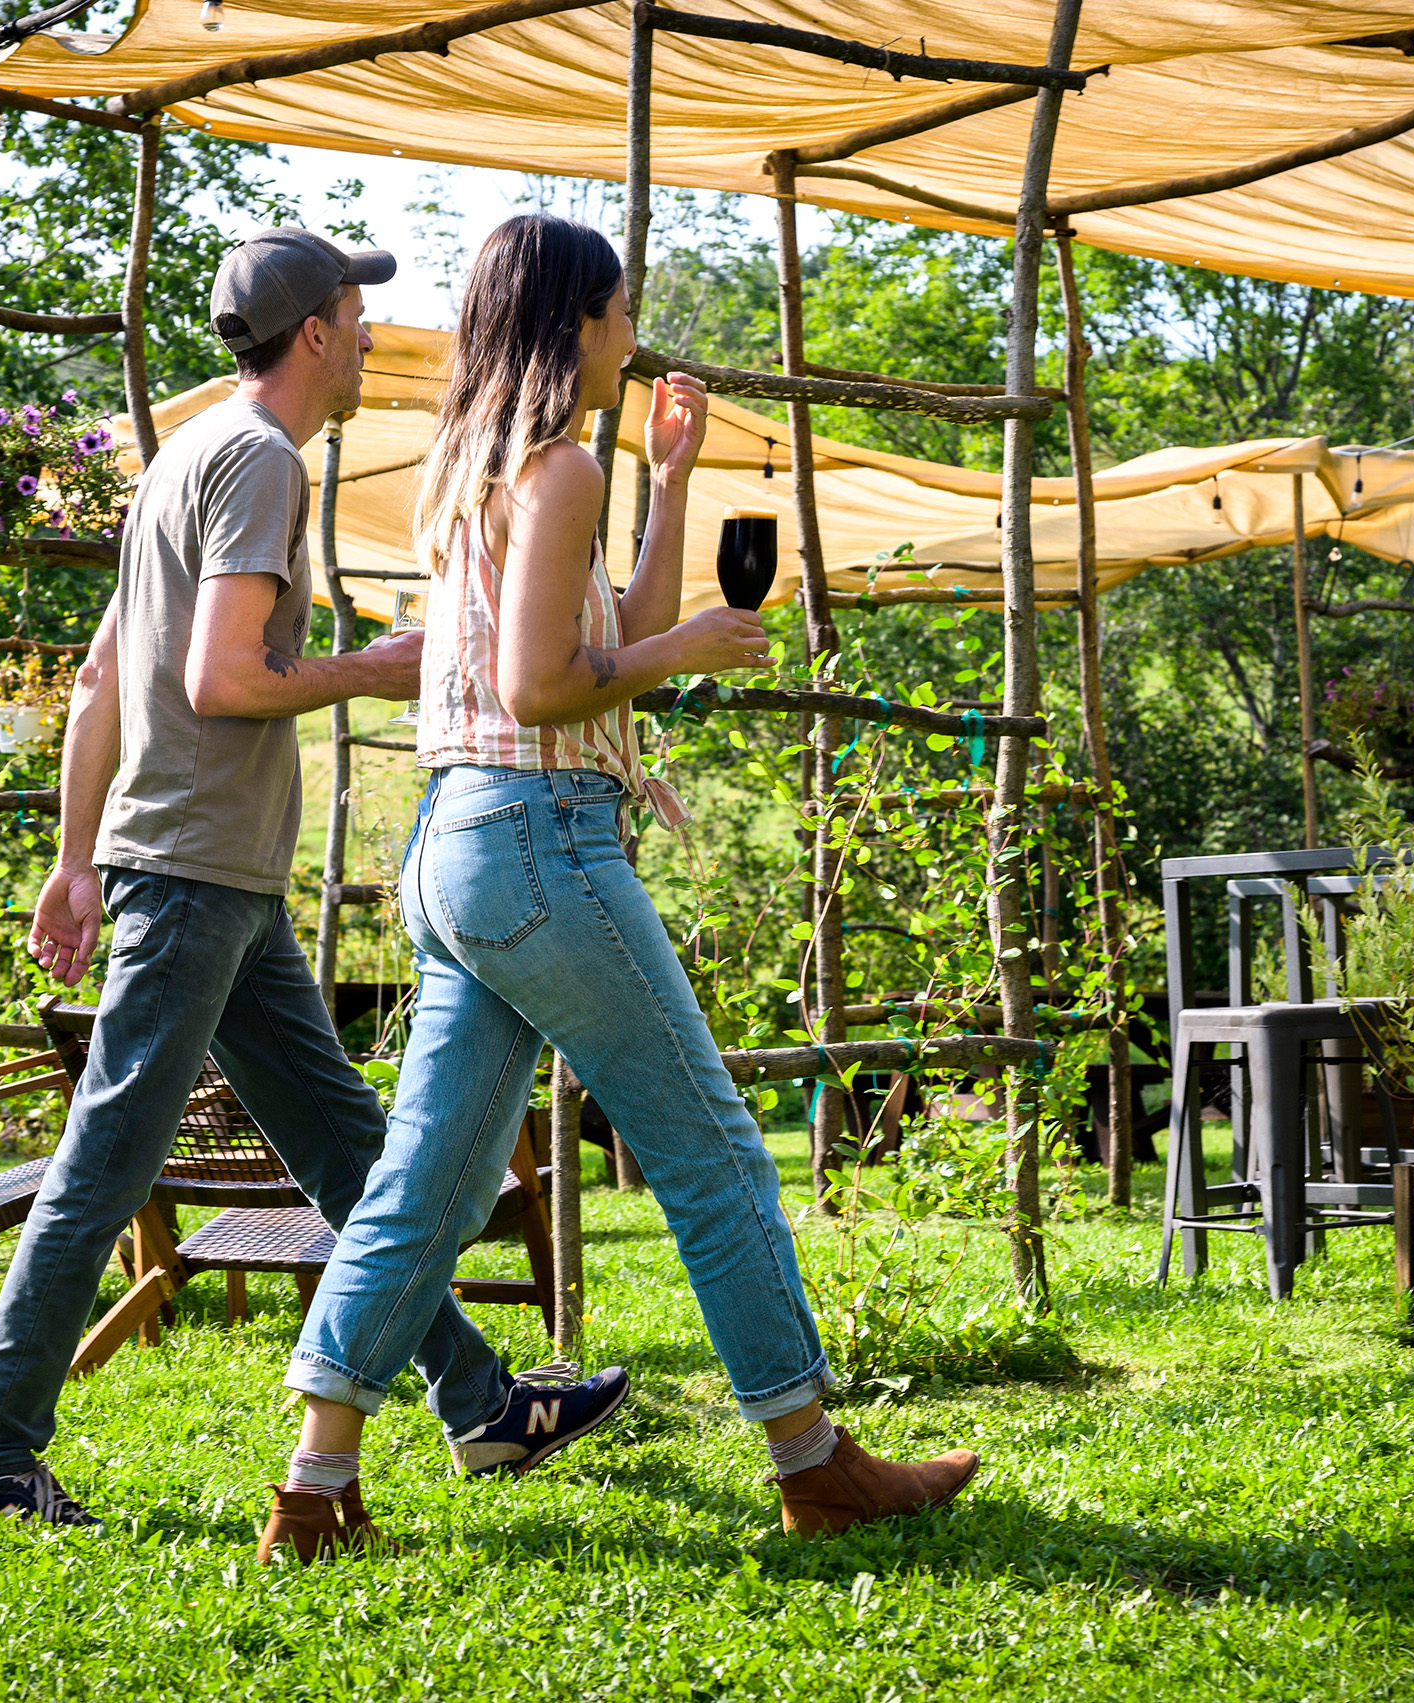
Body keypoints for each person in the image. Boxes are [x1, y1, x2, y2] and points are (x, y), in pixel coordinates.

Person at [257, 214, 980, 1565]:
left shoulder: (478, 472)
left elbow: (608, 638)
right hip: (542, 841)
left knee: (427, 1186)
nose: (633, 337)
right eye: (620, 312)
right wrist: (704, 642)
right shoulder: (555, 472)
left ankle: (313, 1484)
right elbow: (548, 687)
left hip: (456, 847)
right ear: (573, 323)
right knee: (713, 1153)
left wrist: (677, 483)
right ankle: (815, 1464)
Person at [0, 227, 625, 1528]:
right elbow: (221, 681)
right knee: (102, 1170)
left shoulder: (183, 459)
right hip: (193, 879)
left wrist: (75, 861)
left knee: (356, 1162)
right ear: (313, 333)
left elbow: (98, 683)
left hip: (209, 883)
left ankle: (481, 1407)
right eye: (357, 316)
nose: (369, 336)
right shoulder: (255, 463)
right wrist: (378, 668)